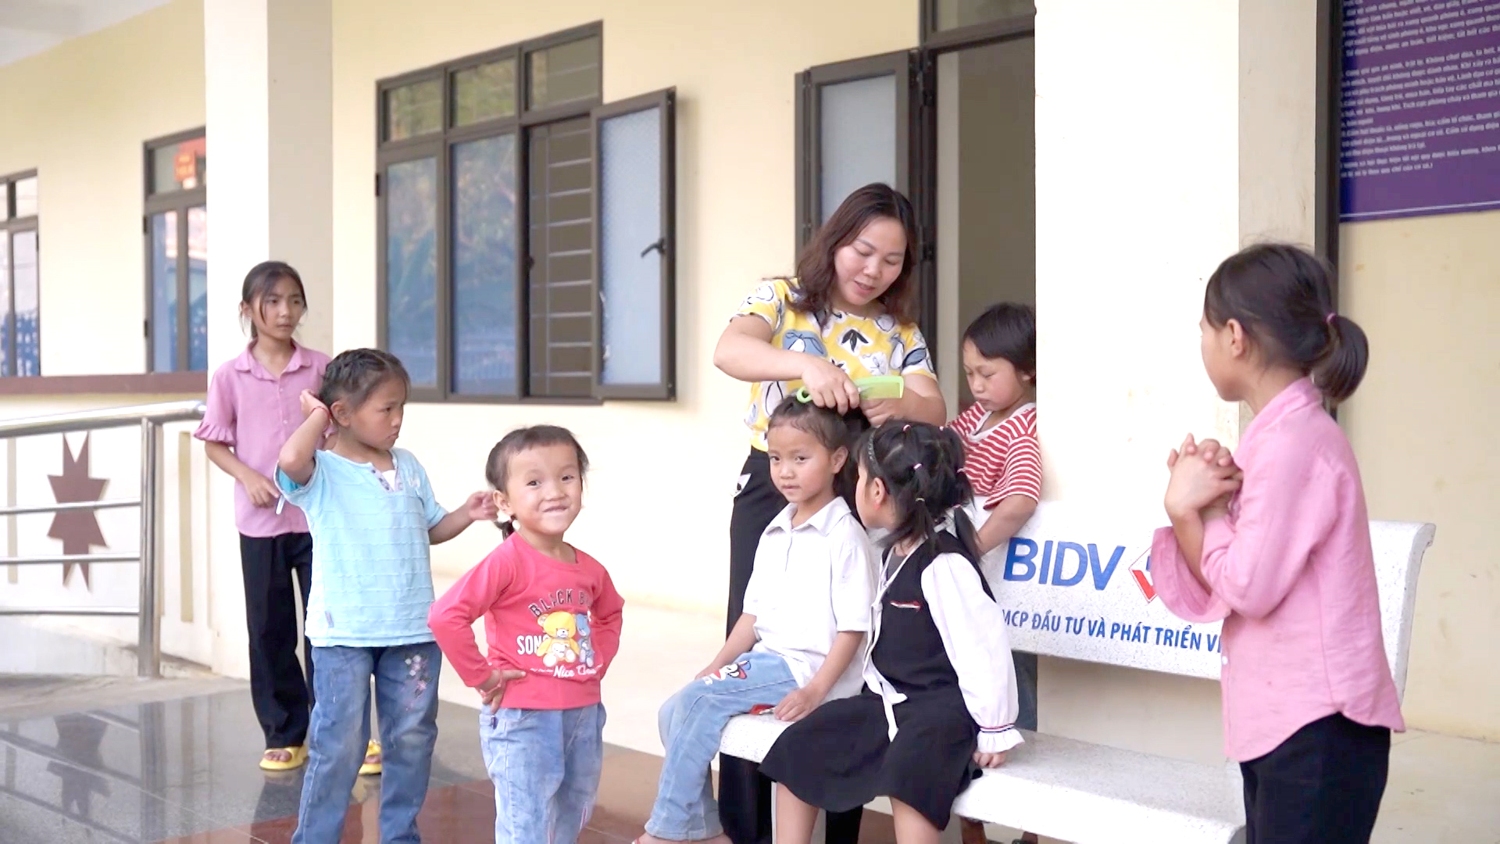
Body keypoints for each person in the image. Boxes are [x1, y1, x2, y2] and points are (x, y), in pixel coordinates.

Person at [711, 183, 944, 844]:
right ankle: (748, 824)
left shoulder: (899, 330)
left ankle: (840, 816)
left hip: (858, 489)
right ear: (836, 240)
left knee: (852, 633)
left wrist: (898, 400)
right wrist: (803, 365)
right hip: (776, 482)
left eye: (892, 260)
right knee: (757, 627)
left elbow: (935, 405)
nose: (873, 270)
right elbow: (730, 350)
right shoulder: (781, 297)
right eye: (863, 251)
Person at [1151, 244, 1403, 844]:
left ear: (1235, 337)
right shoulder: (1275, 440)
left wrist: (1201, 509)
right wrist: (1195, 507)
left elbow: (1246, 586)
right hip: (1287, 725)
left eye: (1205, 329)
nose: (1204, 343)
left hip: (1319, 731)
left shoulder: (1293, 444)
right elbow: (1228, 583)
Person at [761, 421, 1023, 844]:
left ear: (878, 491)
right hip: (889, 702)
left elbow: (984, 650)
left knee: (910, 773)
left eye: (859, 478)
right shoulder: (893, 551)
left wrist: (995, 730)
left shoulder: (944, 562)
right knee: (798, 747)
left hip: (941, 712)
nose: (855, 487)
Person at [277, 348, 496, 844]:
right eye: (386, 409)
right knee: (339, 745)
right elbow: (290, 459)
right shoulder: (321, 472)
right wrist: (317, 416)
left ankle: (399, 836)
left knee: (412, 740)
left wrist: (467, 512)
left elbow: (430, 528)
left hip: (413, 630)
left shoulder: (409, 466)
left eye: (402, 408)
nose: (398, 420)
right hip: (344, 636)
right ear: (342, 413)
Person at [638, 398, 876, 844]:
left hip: (804, 672)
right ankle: (704, 830)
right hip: (767, 664)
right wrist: (717, 664)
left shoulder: (845, 536)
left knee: (696, 704)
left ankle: (666, 830)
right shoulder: (775, 529)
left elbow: (853, 629)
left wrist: (815, 691)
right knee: (674, 710)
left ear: (837, 459)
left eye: (800, 458)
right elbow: (752, 616)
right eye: (776, 458)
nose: (785, 472)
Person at [428, 425, 625, 844]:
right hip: (523, 718)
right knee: (526, 824)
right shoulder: (507, 562)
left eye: (567, 476)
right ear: (504, 502)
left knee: (573, 811)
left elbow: (610, 613)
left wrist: (598, 659)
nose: (554, 491)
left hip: (583, 714)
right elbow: (446, 616)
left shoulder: (589, 569)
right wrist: (482, 676)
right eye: (534, 482)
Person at [195, 261, 349, 772]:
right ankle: (284, 732)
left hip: (317, 518)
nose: (286, 312)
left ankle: (339, 728)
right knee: (269, 629)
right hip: (259, 522)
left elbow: (340, 433)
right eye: (274, 301)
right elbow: (214, 443)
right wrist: (248, 476)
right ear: (248, 310)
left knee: (328, 628)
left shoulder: (322, 368)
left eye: (295, 301)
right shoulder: (229, 376)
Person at [946, 303, 1040, 844]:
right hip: (973, 587)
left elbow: (1021, 499)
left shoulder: (1027, 426)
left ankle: (1029, 829)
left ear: (1027, 370)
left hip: (1003, 585)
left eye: (987, 373)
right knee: (966, 690)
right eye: (970, 373)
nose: (976, 385)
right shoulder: (974, 421)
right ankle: (973, 828)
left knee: (1012, 697)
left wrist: (969, 551)